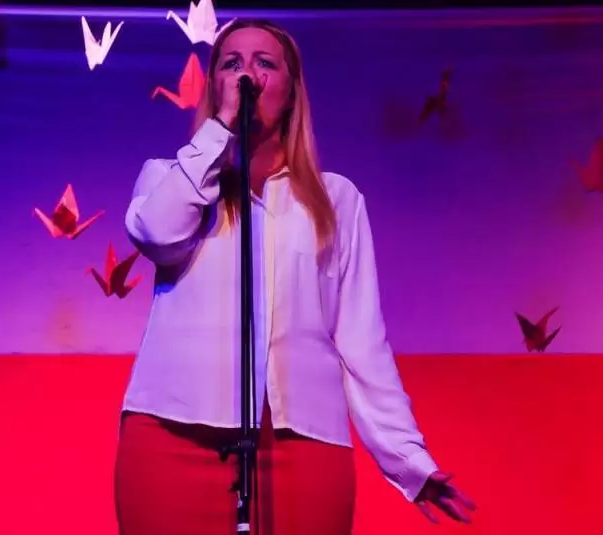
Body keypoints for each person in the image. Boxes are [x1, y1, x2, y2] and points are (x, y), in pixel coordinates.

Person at [114, 18, 475, 535]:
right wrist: (220, 130)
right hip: (173, 436)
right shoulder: (169, 178)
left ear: (291, 90)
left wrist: (407, 458)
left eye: (264, 63)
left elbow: (361, 342)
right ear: (215, 85)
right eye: (231, 64)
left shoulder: (336, 200)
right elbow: (157, 234)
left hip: (302, 446)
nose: (247, 75)